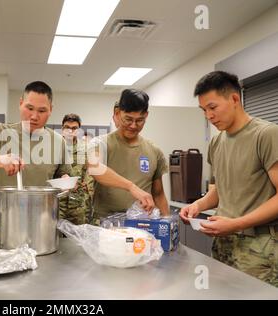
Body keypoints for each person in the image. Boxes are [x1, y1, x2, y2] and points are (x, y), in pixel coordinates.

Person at [180, 71, 278, 287]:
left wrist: (236, 224)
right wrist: (196, 205)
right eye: (204, 110)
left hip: (259, 248)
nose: (208, 116)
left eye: (212, 107)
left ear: (234, 99)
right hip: (223, 242)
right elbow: (217, 192)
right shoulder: (216, 143)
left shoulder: (266, 135)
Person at [0, 81, 71, 238]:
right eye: (29, 108)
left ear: (51, 110)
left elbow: (64, 175)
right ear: (21, 103)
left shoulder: (58, 142)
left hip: (41, 225)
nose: (34, 116)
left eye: (42, 110)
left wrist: (65, 181)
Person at [90, 89, 170, 225]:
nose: (133, 126)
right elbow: (95, 168)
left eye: (140, 120)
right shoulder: (99, 144)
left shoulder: (154, 151)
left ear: (146, 116)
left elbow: (158, 194)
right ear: (117, 113)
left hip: (142, 226)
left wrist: (167, 223)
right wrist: (131, 187)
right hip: (105, 225)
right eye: (128, 119)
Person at [59, 113, 94, 224]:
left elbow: (89, 173)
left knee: (78, 237)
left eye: (74, 128)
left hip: (78, 203)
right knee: (55, 236)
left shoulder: (86, 148)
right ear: (62, 129)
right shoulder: (54, 147)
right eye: (67, 127)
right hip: (58, 202)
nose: (70, 131)